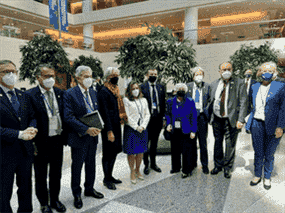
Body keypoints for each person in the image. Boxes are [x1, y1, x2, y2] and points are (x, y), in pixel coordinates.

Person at [25, 64, 66, 213]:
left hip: (57, 139)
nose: (50, 79)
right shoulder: (30, 95)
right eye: (47, 76)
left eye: (52, 76)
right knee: (41, 174)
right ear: (38, 77)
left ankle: (55, 200)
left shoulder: (60, 92)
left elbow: (64, 115)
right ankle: (43, 203)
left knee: (56, 173)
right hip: (41, 142)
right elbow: (31, 117)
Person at [63, 65, 104, 210]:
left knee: (91, 163)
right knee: (77, 166)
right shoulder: (70, 94)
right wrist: (86, 129)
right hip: (79, 136)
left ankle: (89, 188)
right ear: (78, 77)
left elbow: (95, 111)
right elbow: (68, 117)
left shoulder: (93, 92)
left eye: (90, 76)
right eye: (86, 76)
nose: (89, 79)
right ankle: (77, 194)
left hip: (93, 136)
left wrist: (98, 126)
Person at [0, 60, 38, 213]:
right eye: (5, 72)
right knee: (4, 191)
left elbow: (32, 116)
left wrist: (32, 127)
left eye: (13, 71)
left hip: (25, 152)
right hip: (4, 153)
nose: (11, 75)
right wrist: (18, 134)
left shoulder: (23, 95)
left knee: (25, 188)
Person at [246, 62, 285, 190]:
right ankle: (257, 175)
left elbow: (283, 108)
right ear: (259, 72)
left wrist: (280, 126)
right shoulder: (254, 86)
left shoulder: (281, 86)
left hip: (273, 125)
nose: (265, 72)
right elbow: (250, 105)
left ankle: (267, 177)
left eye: (269, 70)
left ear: (274, 72)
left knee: (269, 153)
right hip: (257, 123)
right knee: (258, 151)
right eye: (263, 70)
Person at [208, 62, 248, 178]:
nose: (226, 71)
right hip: (217, 119)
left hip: (232, 120)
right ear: (219, 71)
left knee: (230, 144)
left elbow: (243, 102)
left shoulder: (239, 83)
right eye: (223, 69)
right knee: (217, 143)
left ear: (232, 70)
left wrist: (241, 119)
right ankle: (218, 165)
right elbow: (211, 101)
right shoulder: (214, 84)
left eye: (228, 69)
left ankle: (227, 168)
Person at [98, 67, 128, 190]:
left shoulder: (115, 90)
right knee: (108, 153)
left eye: (117, 75)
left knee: (114, 151)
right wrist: (109, 131)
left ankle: (110, 176)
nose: (116, 77)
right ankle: (106, 178)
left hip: (116, 125)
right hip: (108, 127)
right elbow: (104, 113)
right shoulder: (103, 91)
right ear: (108, 77)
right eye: (114, 75)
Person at [165, 83, 197, 178]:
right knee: (175, 149)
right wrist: (168, 124)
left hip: (186, 129)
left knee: (186, 150)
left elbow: (193, 117)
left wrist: (193, 131)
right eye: (179, 89)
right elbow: (168, 114)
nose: (181, 91)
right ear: (175, 90)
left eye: (183, 89)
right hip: (175, 129)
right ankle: (176, 167)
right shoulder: (170, 101)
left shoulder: (190, 101)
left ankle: (186, 170)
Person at [123, 81, 150, 184]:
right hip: (131, 129)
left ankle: (138, 170)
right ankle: (132, 171)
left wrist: (143, 126)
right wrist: (136, 127)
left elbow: (147, 114)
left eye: (136, 88)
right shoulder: (126, 100)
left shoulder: (143, 100)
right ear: (130, 90)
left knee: (140, 151)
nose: (135, 90)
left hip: (143, 128)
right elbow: (127, 116)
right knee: (131, 152)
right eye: (133, 89)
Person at [140, 68, 166, 175]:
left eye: (155, 74)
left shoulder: (161, 87)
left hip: (157, 119)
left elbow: (163, 104)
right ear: (147, 75)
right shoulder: (142, 87)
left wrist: (164, 118)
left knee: (154, 143)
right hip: (146, 120)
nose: (153, 76)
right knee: (145, 143)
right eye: (151, 74)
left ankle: (153, 164)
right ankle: (146, 164)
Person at [186, 67, 211, 174]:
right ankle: (192, 164)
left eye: (201, 74)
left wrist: (205, 111)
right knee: (191, 142)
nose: (199, 76)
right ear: (193, 76)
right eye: (197, 74)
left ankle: (204, 165)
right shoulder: (188, 86)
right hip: (191, 119)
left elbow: (210, 101)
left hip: (202, 118)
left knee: (203, 142)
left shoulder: (207, 86)